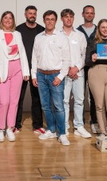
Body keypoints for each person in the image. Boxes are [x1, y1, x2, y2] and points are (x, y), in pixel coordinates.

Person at [31, 10, 71, 146]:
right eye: (47, 19)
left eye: (52, 19)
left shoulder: (62, 37)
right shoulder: (38, 37)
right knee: (45, 106)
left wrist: (60, 77)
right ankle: (51, 129)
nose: (49, 21)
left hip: (56, 75)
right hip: (41, 75)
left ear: (56, 21)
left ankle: (62, 133)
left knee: (59, 106)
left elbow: (67, 60)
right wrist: (33, 75)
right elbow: (34, 58)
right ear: (43, 20)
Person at [0, 11, 30, 142]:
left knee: (14, 101)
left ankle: (10, 128)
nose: (8, 20)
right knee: (4, 102)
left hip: (17, 69)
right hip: (2, 71)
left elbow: (22, 52)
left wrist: (26, 71)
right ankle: (1, 129)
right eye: (5, 18)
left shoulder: (17, 34)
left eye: (10, 18)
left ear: (13, 21)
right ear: (1, 20)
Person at [86, 19, 107, 137]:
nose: (105, 29)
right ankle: (102, 131)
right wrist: (92, 59)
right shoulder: (92, 42)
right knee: (99, 106)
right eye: (102, 27)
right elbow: (86, 61)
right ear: (99, 29)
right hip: (96, 72)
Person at [60, 9, 91, 138]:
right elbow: (56, 56)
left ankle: (79, 126)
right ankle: (65, 126)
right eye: (66, 17)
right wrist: (67, 69)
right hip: (64, 73)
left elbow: (85, 55)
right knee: (64, 101)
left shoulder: (80, 35)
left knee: (79, 100)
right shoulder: (57, 35)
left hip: (78, 73)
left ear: (74, 18)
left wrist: (76, 68)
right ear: (62, 18)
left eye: (71, 17)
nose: (68, 19)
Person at [14, 5, 45, 135]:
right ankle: (15, 125)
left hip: (37, 69)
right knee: (18, 98)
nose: (32, 15)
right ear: (25, 14)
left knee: (37, 98)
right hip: (21, 68)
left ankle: (37, 125)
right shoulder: (18, 30)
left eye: (34, 13)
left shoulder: (42, 30)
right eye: (29, 13)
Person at [76, 5, 98, 134]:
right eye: (87, 13)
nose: (89, 15)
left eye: (91, 13)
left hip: (95, 68)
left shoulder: (99, 30)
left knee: (95, 96)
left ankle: (94, 121)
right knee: (80, 97)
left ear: (94, 15)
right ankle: (80, 123)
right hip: (81, 68)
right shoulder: (77, 31)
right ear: (82, 14)